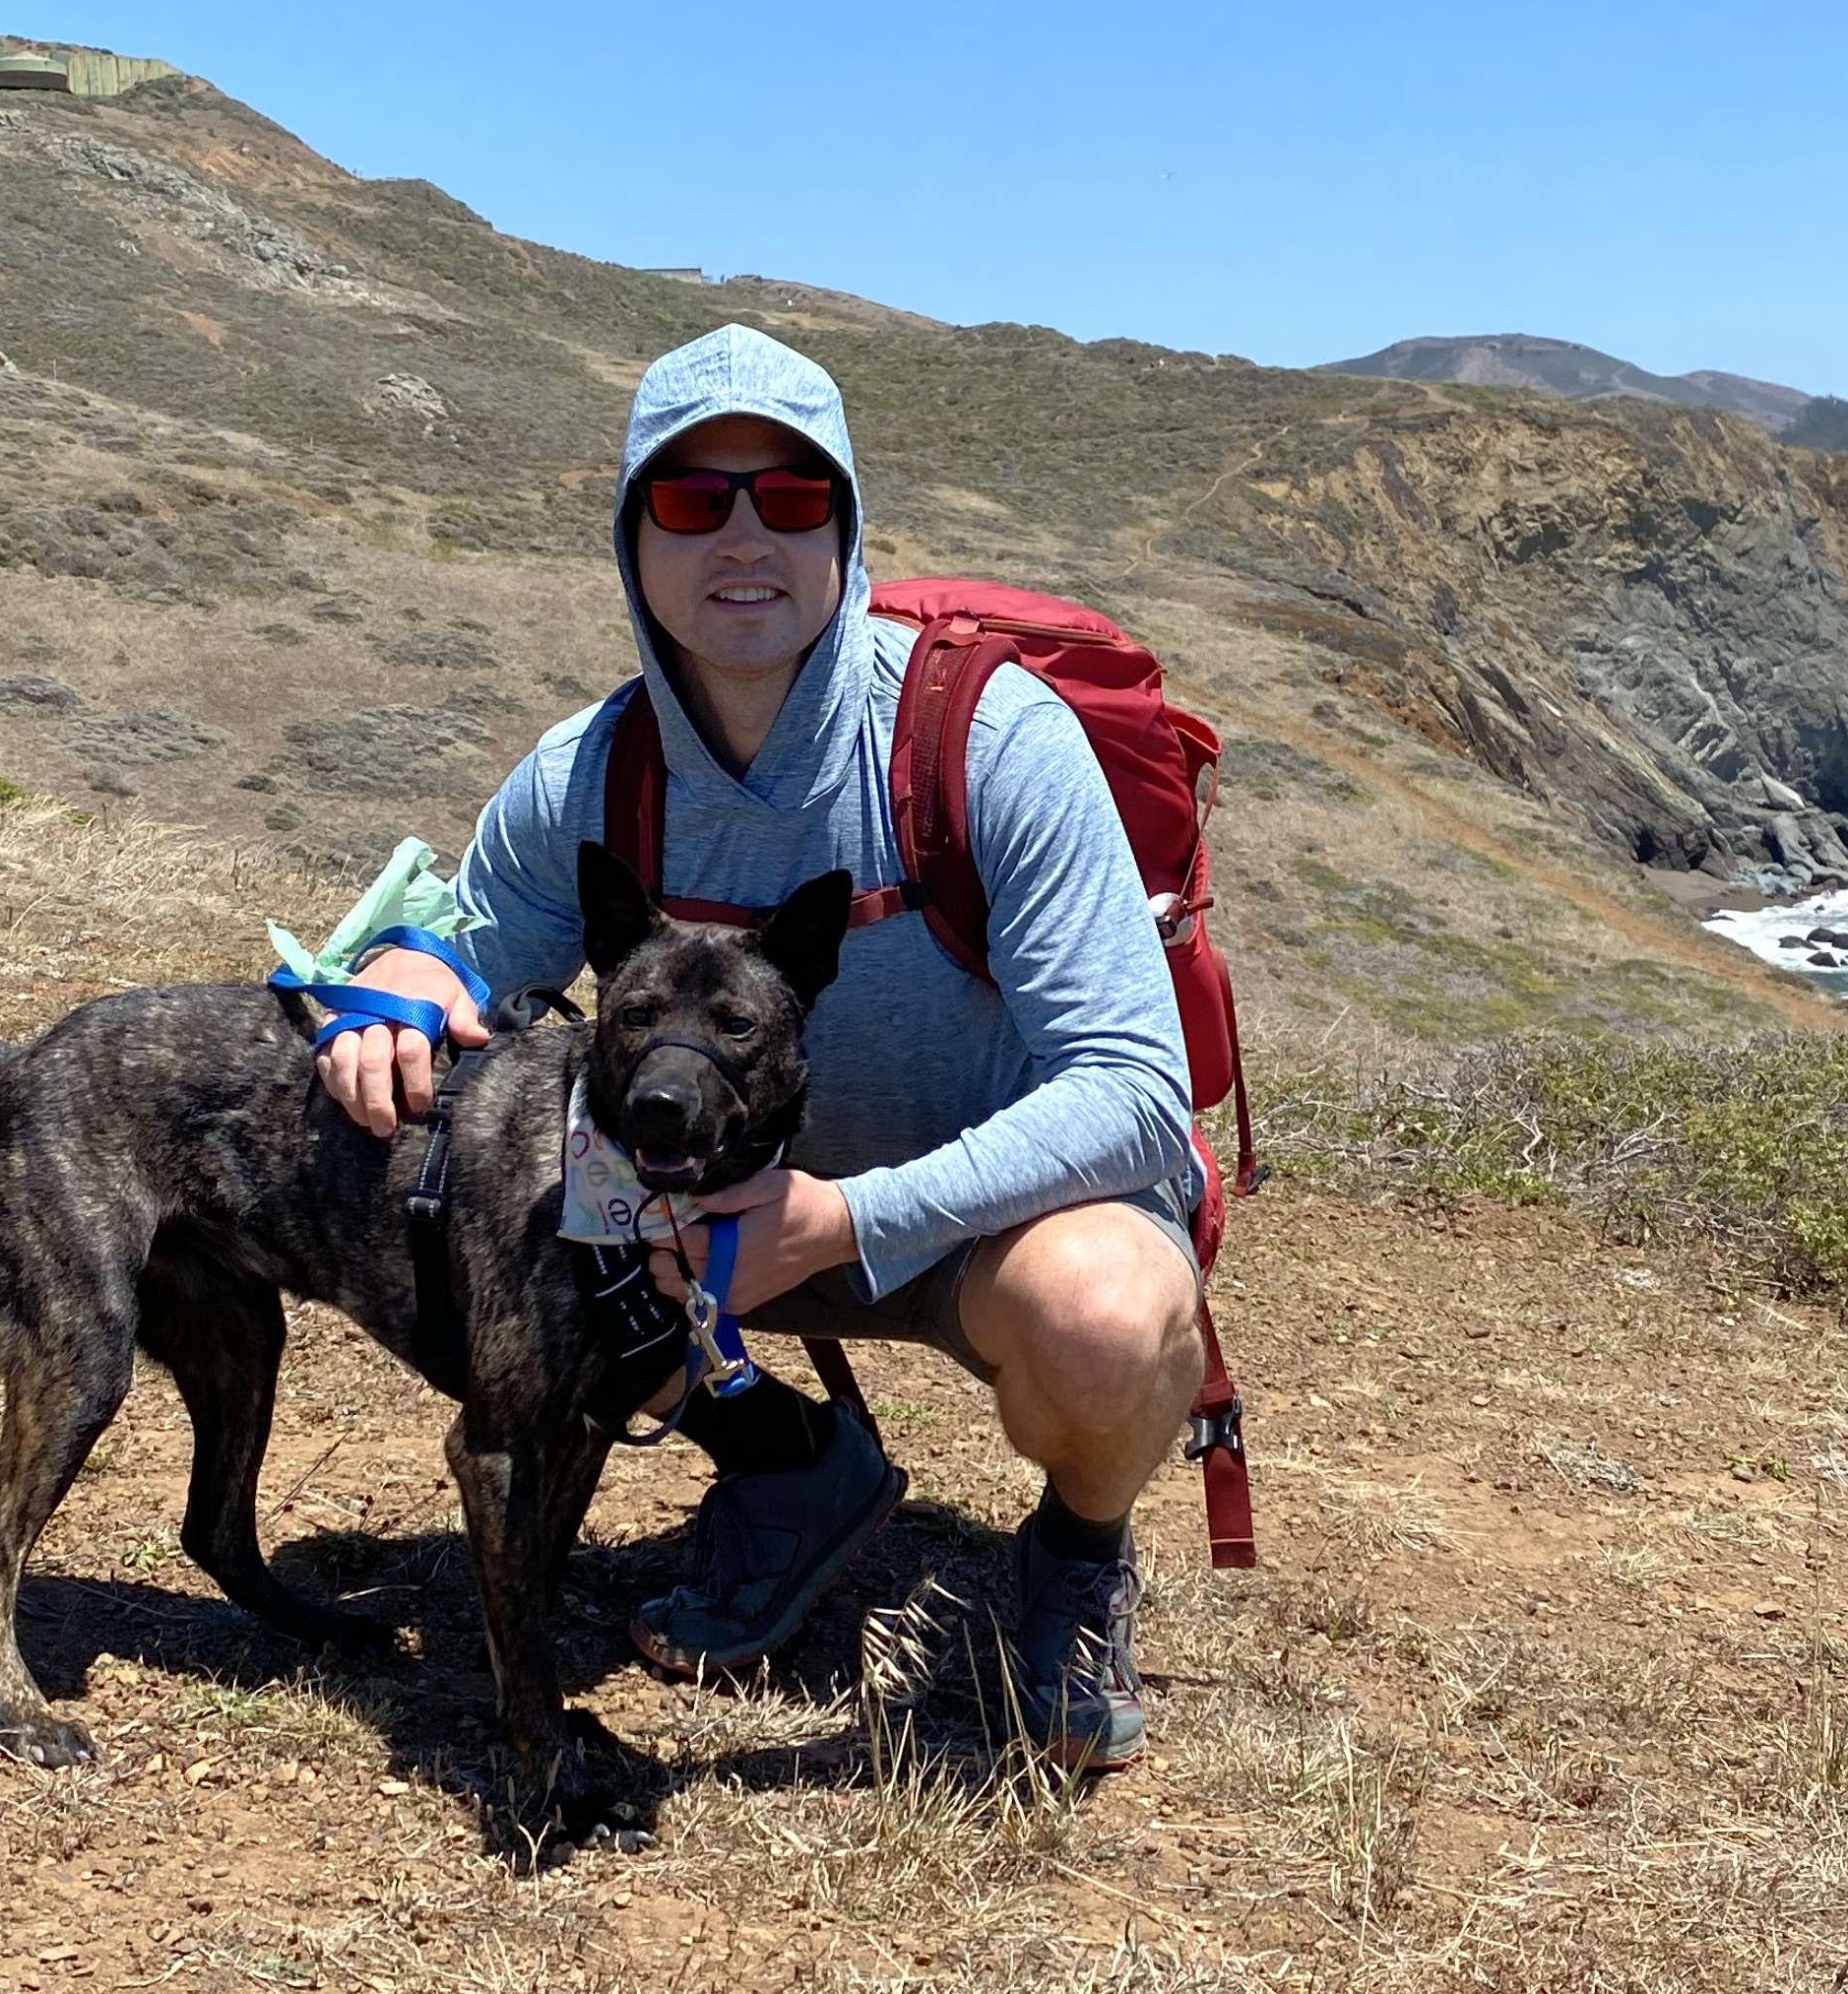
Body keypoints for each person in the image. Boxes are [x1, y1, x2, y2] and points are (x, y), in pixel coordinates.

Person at [309, 323, 1205, 1769]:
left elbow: (1139, 1096)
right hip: (705, 1233)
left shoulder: (984, 740)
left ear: (845, 531)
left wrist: (847, 1218)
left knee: (1103, 1314)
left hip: (979, 1237)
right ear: (633, 540)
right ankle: (791, 1470)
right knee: (499, 1188)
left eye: (790, 499)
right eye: (691, 499)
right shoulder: (593, 772)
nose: (743, 535)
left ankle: (1078, 1555)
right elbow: (475, 945)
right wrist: (406, 972)